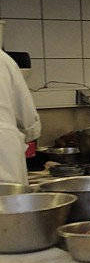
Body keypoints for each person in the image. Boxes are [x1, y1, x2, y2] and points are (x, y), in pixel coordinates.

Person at [0, 49, 41, 185]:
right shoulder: (4, 60)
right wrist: (30, 135)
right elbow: (28, 121)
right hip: (5, 155)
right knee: (9, 202)